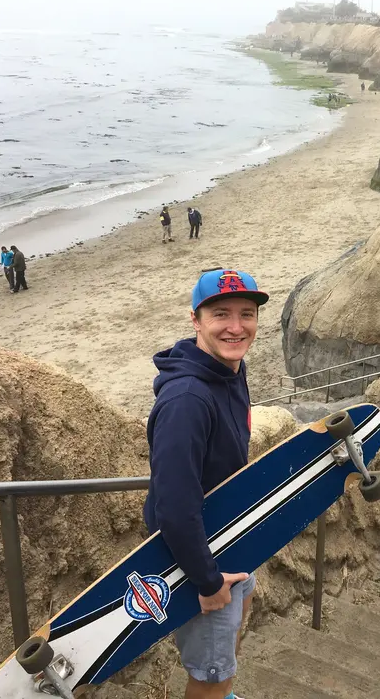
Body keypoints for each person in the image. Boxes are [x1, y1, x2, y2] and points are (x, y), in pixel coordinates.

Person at [144, 268, 269, 699]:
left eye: (246, 314)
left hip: (229, 535)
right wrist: (207, 580)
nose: (236, 327)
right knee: (210, 674)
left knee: (231, 635)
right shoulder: (187, 400)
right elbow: (174, 509)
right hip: (199, 558)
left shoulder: (231, 369)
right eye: (221, 314)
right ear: (196, 320)